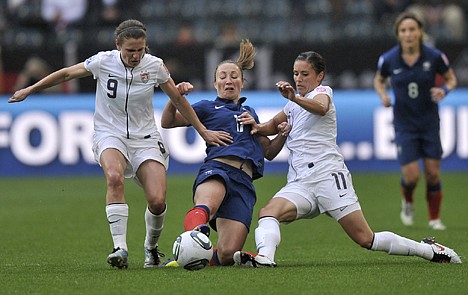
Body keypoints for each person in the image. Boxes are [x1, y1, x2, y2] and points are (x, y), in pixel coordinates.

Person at [7, 19, 231, 269]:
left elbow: (177, 99)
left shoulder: (155, 66)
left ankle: (151, 248)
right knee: (114, 177)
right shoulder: (104, 61)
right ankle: (120, 248)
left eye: (141, 49)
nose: (136, 55)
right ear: (118, 45)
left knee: (157, 200)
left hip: (145, 138)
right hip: (109, 133)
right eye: (130, 50)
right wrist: (31, 89)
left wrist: (203, 131)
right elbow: (68, 73)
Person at [233, 50, 461, 268]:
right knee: (268, 213)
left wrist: (294, 97)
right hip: (300, 183)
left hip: (328, 177)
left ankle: (428, 250)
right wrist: (256, 126)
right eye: (295, 73)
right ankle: (265, 257)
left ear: (319, 76)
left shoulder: (323, 93)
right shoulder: (292, 104)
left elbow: (321, 108)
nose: (298, 79)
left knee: (366, 238)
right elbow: (271, 126)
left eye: (305, 74)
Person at [161, 39, 289, 266]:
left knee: (228, 254)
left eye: (234, 76)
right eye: (223, 77)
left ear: (242, 82)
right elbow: (168, 122)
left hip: (244, 183)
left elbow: (268, 152)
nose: (228, 81)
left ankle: (186, 258)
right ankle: (189, 244)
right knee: (206, 207)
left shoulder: (250, 113)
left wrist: (282, 134)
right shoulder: (206, 107)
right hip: (218, 168)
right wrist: (176, 98)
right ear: (215, 83)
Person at [373, 11, 457, 230]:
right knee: (411, 177)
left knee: (432, 174)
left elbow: (451, 78)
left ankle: (434, 219)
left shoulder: (434, 57)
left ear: (420, 32)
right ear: (398, 34)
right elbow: (379, 80)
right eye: (403, 30)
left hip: (429, 123)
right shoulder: (389, 59)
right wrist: (383, 95)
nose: (408, 34)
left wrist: (444, 90)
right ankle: (408, 201)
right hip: (404, 125)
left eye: (412, 29)